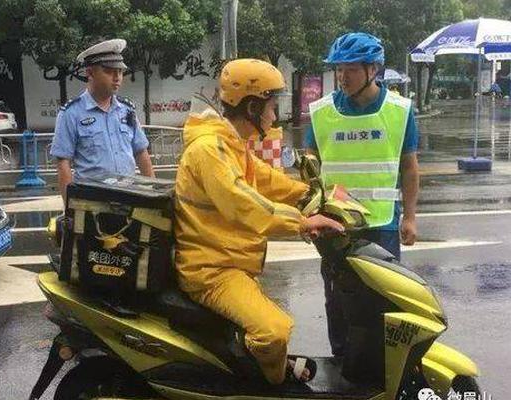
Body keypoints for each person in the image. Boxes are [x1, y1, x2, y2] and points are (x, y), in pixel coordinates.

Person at [174, 58, 345, 385]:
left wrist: (311, 194)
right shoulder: (209, 149)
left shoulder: (231, 143)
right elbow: (241, 202)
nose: (274, 113)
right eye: (271, 104)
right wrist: (301, 222)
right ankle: (270, 384)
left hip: (230, 261)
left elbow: (264, 180)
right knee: (274, 331)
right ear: (252, 107)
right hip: (211, 271)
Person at [305, 32, 420, 356]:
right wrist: (309, 215)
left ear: (373, 70)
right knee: (338, 299)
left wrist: (410, 218)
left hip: (381, 224)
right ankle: (343, 363)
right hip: (335, 225)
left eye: (350, 70)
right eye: (338, 69)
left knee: (383, 299)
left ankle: (382, 367)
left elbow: (409, 168)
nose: (342, 77)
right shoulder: (321, 111)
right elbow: (310, 168)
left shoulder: (399, 110)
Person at [50, 39, 155, 203]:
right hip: (93, 204)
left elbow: (141, 153)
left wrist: (154, 197)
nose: (117, 77)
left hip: (129, 199)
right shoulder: (71, 113)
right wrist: (70, 209)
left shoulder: (127, 110)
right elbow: (63, 164)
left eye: (120, 71)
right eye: (109, 71)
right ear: (90, 73)